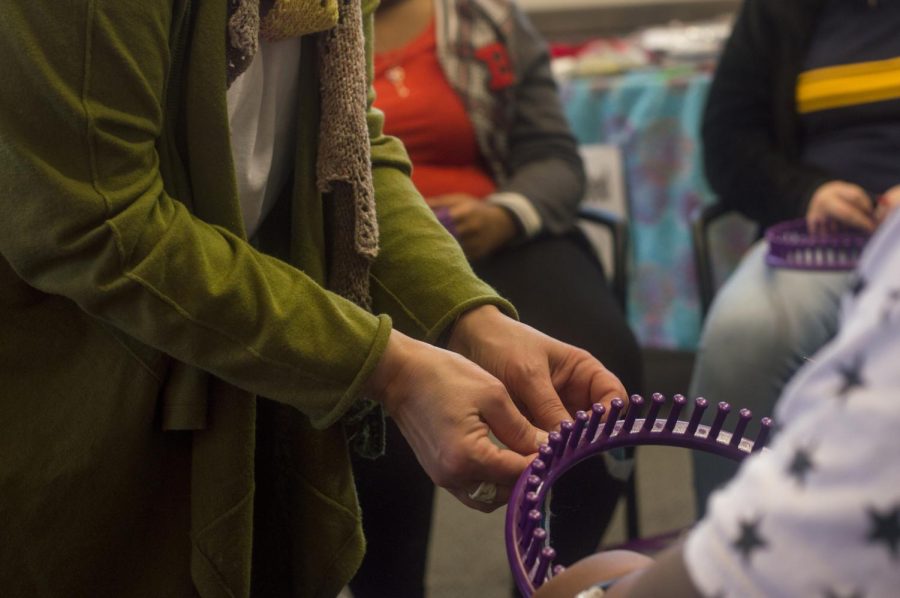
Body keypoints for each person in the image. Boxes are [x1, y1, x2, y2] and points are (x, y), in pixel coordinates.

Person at [0, 2, 629, 596]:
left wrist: (469, 318)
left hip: (228, 362)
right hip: (81, 395)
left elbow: (351, 150)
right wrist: (390, 368)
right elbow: (98, 226)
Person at [348, 0, 644, 595]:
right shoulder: (313, 32)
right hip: (364, 251)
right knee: (375, 415)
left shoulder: (486, 23)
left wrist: (506, 213)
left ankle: (553, 580)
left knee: (598, 361)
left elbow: (555, 160)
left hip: (498, 237)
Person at [533, 207, 900, 597]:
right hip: (804, 231)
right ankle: (723, 527)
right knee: (746, 337)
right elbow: (737, 155)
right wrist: (811, 194)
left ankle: (727, 547)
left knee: (594, 576)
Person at [690, 0, 900, 511]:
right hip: (822, 242)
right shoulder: (777, 11)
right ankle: (726, 564)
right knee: (743, 338)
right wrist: (808, 194)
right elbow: (727, 141)